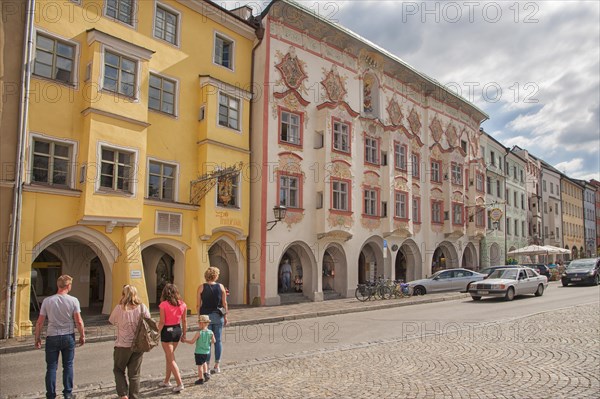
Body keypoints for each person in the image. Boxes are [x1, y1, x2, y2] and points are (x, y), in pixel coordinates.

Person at [34, 275, 85, 399]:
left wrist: (37, 337)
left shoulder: (47, 301)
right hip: (68, 336)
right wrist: (82, 335)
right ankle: (67, 393)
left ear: (58, 285)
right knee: (68, 365)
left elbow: (40, 321)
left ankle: (50, 395)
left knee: (51, 367)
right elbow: (78, 321)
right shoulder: (73, 300)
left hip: (52, 336)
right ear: (68, 286)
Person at [109, 285, 151, 399]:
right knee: (134, 374)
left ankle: (123, 395)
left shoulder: (119, 308)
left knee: (118, 369)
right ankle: (134, 396)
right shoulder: (142, 307)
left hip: (122, 344)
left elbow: (112, 321)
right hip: (138, 344)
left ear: (123, 294)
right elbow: (149, 320)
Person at [197, 266, 228, 374]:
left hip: (205, 317)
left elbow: (198, 305)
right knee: (218, 341)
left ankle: (207, 367)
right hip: (218, 316)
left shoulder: (201, 287)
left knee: (207, 342)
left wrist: (199, 318)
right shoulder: (221, 287)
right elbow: (224, 304)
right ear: (215, 276)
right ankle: (217, 365)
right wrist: (225, 316)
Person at [157, 283, 187, 393]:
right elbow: (184, 321)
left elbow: (162, 322)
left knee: (171, 358)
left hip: (167, 331)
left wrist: (156, 333)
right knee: (169, 357)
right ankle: (167, 380)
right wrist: (184, 334)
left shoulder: (163, 305)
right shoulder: (182, 304)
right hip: (177, 330)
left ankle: (179, 383)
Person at [182, 315, 215, 385]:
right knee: (205, 362)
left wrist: (185, 340)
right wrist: (207, 341)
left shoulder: (199, 333)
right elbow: (214, 341)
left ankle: (200, 379)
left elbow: (192, 342)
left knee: (200, 366)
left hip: (199, 352)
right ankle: (206, 374)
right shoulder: (211, 332)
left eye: (199, 323)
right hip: (206, 351)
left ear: (202, 323)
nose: (198, 325)